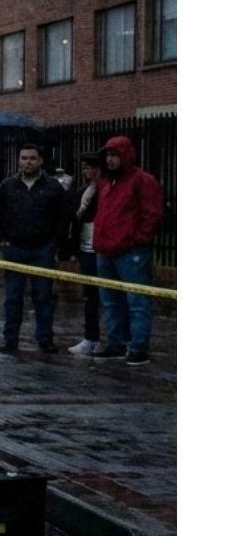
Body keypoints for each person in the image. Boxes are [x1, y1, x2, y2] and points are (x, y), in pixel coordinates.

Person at [91, 135, 165, 365]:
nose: (111, 160)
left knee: (137, 302)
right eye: (108, 156)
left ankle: (138, 347)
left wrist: (137, 239)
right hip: (106, 249)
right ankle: (117, 343)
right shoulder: (106, 182)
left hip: (130, 251)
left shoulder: (142, 181)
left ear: (126, 156)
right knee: (111, 300)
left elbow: (152, 214)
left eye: (115, 155)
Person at [0, 143, 70, 354]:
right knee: (13, 296)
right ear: (18, 160)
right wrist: (1, 239)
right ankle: (10, 339)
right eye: (24, 158)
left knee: (43, 296)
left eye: (32, 158)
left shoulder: (53, 187)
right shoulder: (8, 185)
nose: (28, 162)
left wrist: (55, 244)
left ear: (40, 161)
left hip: (42, 248)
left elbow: (63, 217)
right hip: (14, 247)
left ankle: (45, 339)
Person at [67, 153, 105, 356]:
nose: (85, 172)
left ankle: (118, 339)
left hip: (104, 248)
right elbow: (75, 220)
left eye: (89, 167)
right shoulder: (83, 192)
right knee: (90, 295)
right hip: (86, 248)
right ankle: (91, 337)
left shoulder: (106, 190)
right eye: (84, 168)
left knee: (109, 295)